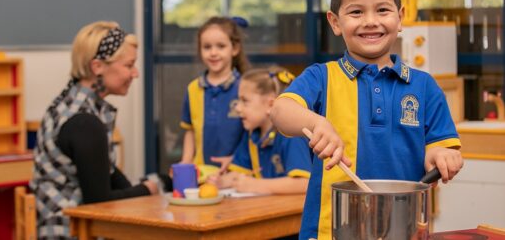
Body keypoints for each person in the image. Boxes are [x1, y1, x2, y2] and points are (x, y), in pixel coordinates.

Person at [270, 0, 464, 239]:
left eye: (382, 10)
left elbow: (436, 151)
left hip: (405, 229)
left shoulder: (425, 87)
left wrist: (444, 157)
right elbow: (280, 110)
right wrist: (316, 122)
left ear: (400, 17)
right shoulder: (322, 78)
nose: (371, 21)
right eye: (356, 12)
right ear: (335, 22)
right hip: (328, 231)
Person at [30, 21, 168, 239]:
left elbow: (108, 174)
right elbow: (100, 203)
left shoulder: (72, 105)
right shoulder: (85, 123)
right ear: (97, 67)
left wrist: (156, 184)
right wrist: (149, 189)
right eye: (129, 65)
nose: (136, 73)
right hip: (71, 231)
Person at [208, 67, 312, 195]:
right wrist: (221, 182)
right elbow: (241, 171)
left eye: (245, 101)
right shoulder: (252, 134)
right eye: (238, 100)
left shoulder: (291, 134)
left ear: (270, 105)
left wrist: (255, 185)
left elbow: (304, 183)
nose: (238, 108)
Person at [179, 16, 250, 171]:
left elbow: (253, 133)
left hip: (237, 172)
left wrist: (235, 159)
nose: (213, 52)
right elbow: (190, 131)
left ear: (235, 48)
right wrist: (186, 161)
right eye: (207, 47)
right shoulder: (192, 89)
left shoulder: (246, 87)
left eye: (221, 46)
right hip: (202, 174)